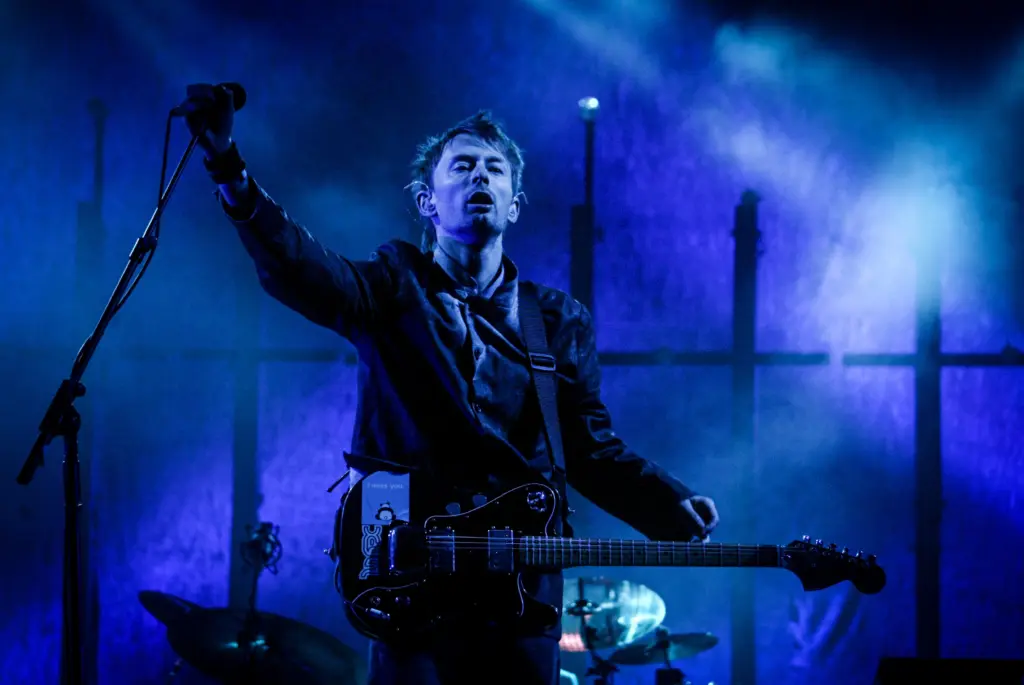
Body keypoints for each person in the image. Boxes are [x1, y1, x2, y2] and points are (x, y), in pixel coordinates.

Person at [181, 83, 719, 685]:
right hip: (404, 556)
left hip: (519, 585)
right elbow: (298, 265)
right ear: (427, 202)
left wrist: (667, 501)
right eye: (461, 166)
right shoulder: (391, 287)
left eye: (495, 169)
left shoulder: (558, 321)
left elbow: (590, 449)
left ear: (514, 206)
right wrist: (227, 166)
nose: (480, 176)